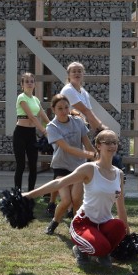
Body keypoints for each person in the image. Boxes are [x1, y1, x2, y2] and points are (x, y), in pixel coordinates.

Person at [23, 129, 128, 267]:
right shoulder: (89, 169)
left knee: (120, 227)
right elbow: (59, 183)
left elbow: (121, 207)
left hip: (104, 223)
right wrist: (29, 195)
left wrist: (127, 236)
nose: (112, 146)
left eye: (114, 142)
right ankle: (80, 249)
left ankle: (102, 251)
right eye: (107, 142)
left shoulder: (118, 173)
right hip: (84, 223)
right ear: (98, 146)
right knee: (101, 247)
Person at [40, 93, 96, 235]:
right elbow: (67, 148)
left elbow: (87, 143)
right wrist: (90, 155)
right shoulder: (52, 127)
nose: (64, 111)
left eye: (66, 107)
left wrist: (98, 159)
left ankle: (76, 227)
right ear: (53, 110)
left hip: (79, 167)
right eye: (60, 108)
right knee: (66, 201)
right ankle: (54, 222)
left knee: (77, 199)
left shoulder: (78, 122)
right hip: (61, 167)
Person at [13, 72, 49, 192]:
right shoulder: (21, 97)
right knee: (21, 165)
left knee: (33, 165)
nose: (29, 83)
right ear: (22, 84)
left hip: (31, 133)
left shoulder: (36, 100)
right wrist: (44, 131)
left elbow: (43, 116)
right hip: (20, 133)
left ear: (34, 84)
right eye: (26, 81)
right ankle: (17, 193)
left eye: (32, 81)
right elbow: (32, 117)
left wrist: (52, 127)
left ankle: (31, 193)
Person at [61, 61, 103, 133]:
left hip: (79, 127)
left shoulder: (83, 91)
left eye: (79, 71)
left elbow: (89, 112)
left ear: (83, 74)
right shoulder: (68, 90)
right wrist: (101, 127)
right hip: (68, 129)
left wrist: (98, 132)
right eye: (74, 71)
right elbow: (85, 110)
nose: (77, 73)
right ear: (69, 75)